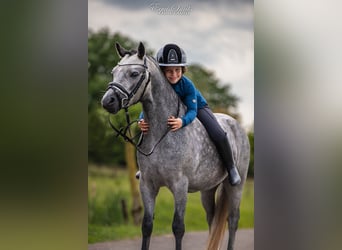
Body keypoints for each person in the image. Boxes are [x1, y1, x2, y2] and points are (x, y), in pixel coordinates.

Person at [136, 44, 241, 186]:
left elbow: (192, 110)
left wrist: (182, 121)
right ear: (162, 71)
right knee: (148, 130)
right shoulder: (158, 86)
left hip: (197, 107)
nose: (174, 74)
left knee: (218, 133)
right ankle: (144, 167)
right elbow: (149, 106)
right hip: (172, 110)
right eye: (169, 71)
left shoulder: (187, 85)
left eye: (177, 70)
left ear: (182, 69)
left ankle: (231, 168)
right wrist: (141, 120)